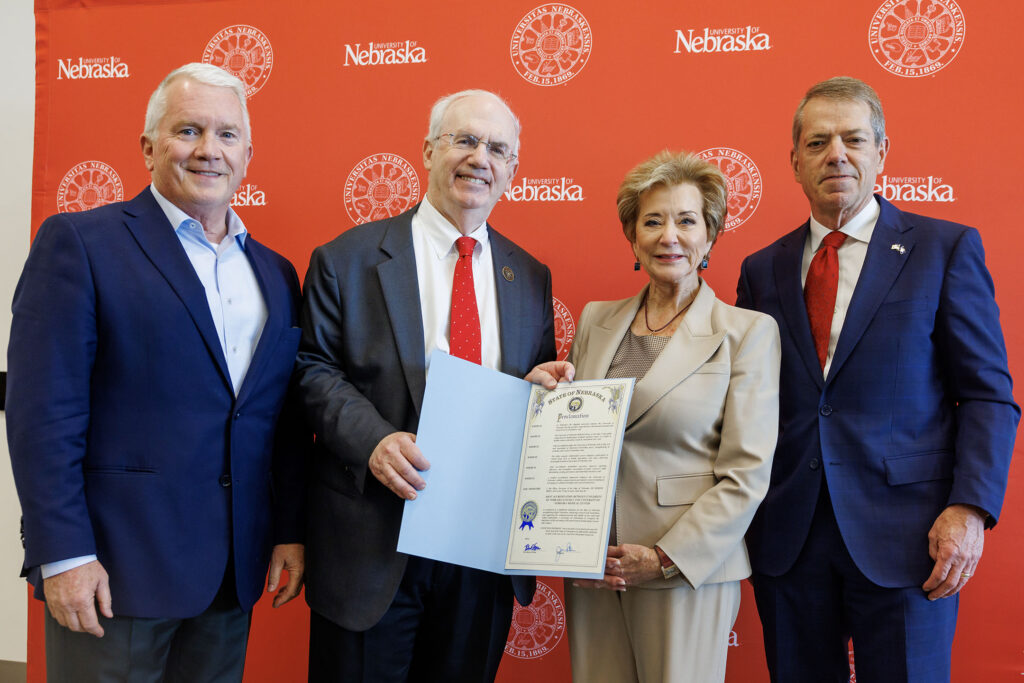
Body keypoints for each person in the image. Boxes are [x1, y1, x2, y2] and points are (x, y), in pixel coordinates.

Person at [6, 62, 306, 682]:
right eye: (187, 130)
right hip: (114, 576)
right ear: (148, 147)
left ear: (248, 155)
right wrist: (62, 555)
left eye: (226, 135)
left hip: (230, 576)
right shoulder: (80, 243)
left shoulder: (276, 275)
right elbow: (42, 415)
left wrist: (287, 530)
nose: (208, 151)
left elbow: (275, 421)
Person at [735, 76, 1019, 682]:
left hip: (910, 539)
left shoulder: (944, 249)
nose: (836, 153)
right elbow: (744, 404)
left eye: (853, 139)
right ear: (794, 162)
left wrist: (969, 509)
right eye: (817, 143)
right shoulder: (762, 270)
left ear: (881, 152)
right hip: (789, 540)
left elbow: (987, 394)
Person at [296, 89, 555, 682]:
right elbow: (313, 369)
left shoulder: (530, 277)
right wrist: (375, 441)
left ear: (513, 169)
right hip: (373, 544)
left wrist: (540, 390)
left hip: (481, 552)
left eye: (497, 148)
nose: (479, 158)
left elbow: (526, 385)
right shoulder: (347, 259)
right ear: (428, 150)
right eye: (464, 140)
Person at [528, 150, 780, 682]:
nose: (670, 235)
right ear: (632, 237)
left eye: (687, 220)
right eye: (653, 221)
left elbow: (746, 474)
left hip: (681, 571)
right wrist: (538, 400)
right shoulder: (597, 319)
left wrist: (664, 557)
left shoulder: (748, 333)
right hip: (592, 567)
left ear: (710, 235)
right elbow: (575, 435)